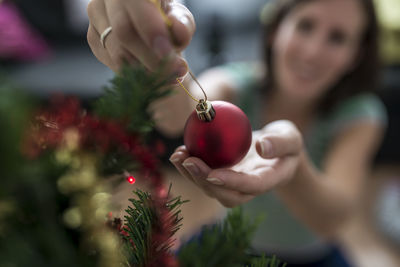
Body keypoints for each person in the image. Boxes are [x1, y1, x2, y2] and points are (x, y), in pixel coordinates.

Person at [87, 0, 387, 265]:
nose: (312, 51)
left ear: (355, 55)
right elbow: (179, 114)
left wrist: (293, 168)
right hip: (228, 248)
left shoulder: (360, 116)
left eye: (337, 37)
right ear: (275, 31)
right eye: (305, 26)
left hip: (313, 259)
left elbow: (334, 218)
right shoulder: (236, 83)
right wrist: (158, 60)